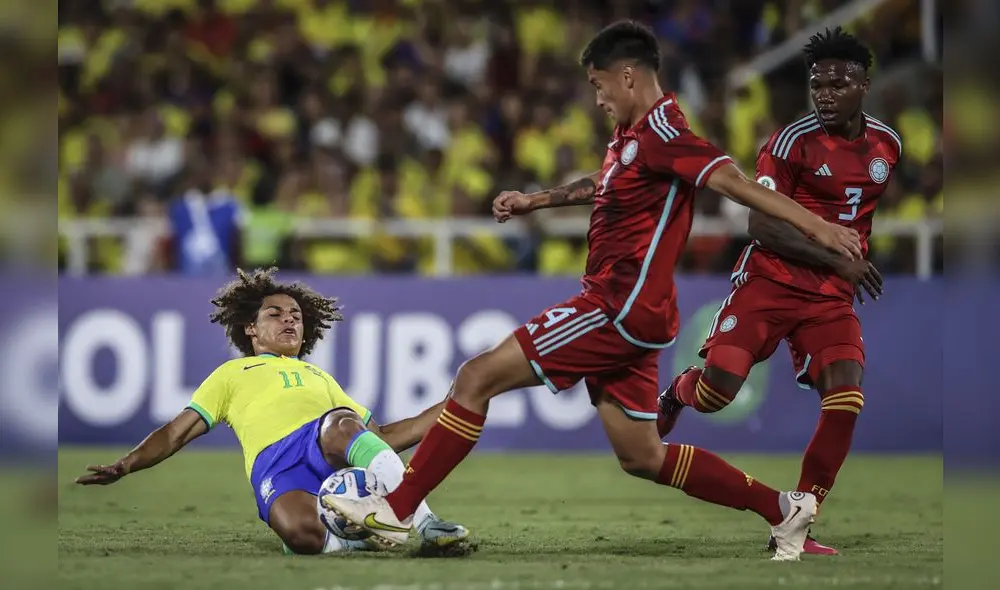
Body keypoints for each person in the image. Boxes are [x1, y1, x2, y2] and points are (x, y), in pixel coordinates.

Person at [325, 20, 861, 562]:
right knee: (643, 456)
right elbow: (605, 183)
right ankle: (784, 509)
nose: (598, 99)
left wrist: (823, 229)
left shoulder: (667, 136)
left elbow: (738, 185)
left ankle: (395, 510)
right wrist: (538, 200)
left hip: (616, 306)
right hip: (638, 314)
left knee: (476, 377)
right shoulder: (634, 135)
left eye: (599, 85)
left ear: (627, 76)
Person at [657, 27, 900, 556]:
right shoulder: (789, 144)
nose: (825, 95)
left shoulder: (888, 146)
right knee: (717, 394)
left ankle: (798, 521)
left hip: (830, 296)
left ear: (864, 85)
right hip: (770, 280)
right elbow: (762, 226)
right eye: (817, 85)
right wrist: (837, 256)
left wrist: (845, 265)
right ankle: (679, 391)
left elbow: (858, 216)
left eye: (838, 85)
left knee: (846, 395)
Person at [75, 267, 470, 556]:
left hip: (321, 445)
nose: (289, 319)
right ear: (251, 328)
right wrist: (126, 464)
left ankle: (426, 523)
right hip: (276, 467)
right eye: (275, 314)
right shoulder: (231, 374)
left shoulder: (319, 376)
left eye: (295, 315)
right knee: (300, 535)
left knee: (340, 423)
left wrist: (457, 403)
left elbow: (379, 438)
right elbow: (175, 433)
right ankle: (356, 539)